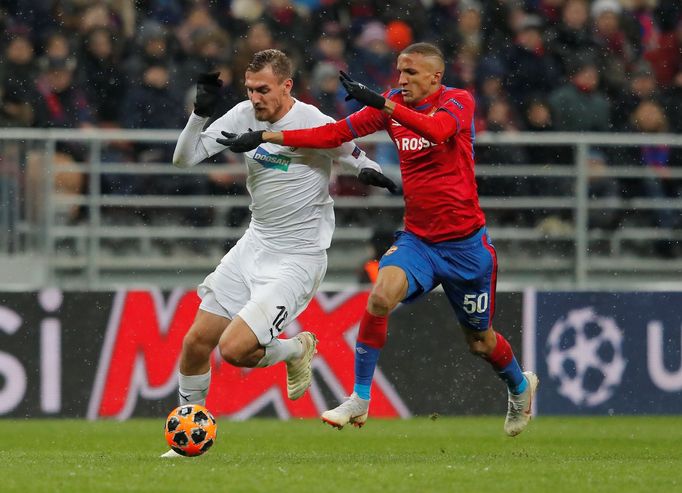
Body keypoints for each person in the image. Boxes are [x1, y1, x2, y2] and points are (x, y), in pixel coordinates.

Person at [220, 42, 539, 437]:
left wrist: (387, 108)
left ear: (436, 77)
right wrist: (269, 136)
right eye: (399, 72)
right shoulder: (392, 105)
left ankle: (520, 387)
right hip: (419, 241)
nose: (401, 80)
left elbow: (438, 131)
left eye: (411, 73)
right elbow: (334, 134)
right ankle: (360, 397)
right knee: (379, 297)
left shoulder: (458, 102)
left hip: (466, 248)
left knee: (481, 342)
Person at [164, 49, 395, 457]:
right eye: (251, 89)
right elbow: (184, 161)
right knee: (196, 343)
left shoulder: (313, 122)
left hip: (298, 259)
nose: (255, 98)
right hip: (254, 244)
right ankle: (189, 438)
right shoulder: (241, 115)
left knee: (234, 351)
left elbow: (352, 155)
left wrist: (372, 174)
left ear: (286, 86)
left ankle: (295, 348)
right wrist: (199, 115)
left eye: (264, 90)